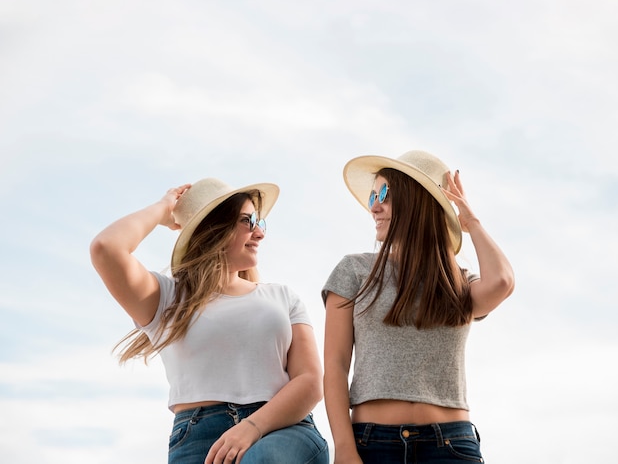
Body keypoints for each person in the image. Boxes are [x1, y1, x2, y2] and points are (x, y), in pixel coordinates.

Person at [91, 177, 329, 464]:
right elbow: (106, 247)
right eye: (248, 221)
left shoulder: (282, 297)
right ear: (214, 229)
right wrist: (163, 209)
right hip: (198, 438)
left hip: (282, 430)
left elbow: (310, 381)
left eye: (260, 222)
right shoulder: (167, 298)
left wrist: (251, 427)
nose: (260, 233)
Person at [322, 150, 515, 464]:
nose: (374, 205)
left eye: (385, 193)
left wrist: (471, 221)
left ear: (417, 201)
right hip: (372, 444)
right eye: (373, 195)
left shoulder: (457, 282)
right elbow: (336, 367)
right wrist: (344, 447)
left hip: (451, 444)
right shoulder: (353, 272)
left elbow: (502, 282)